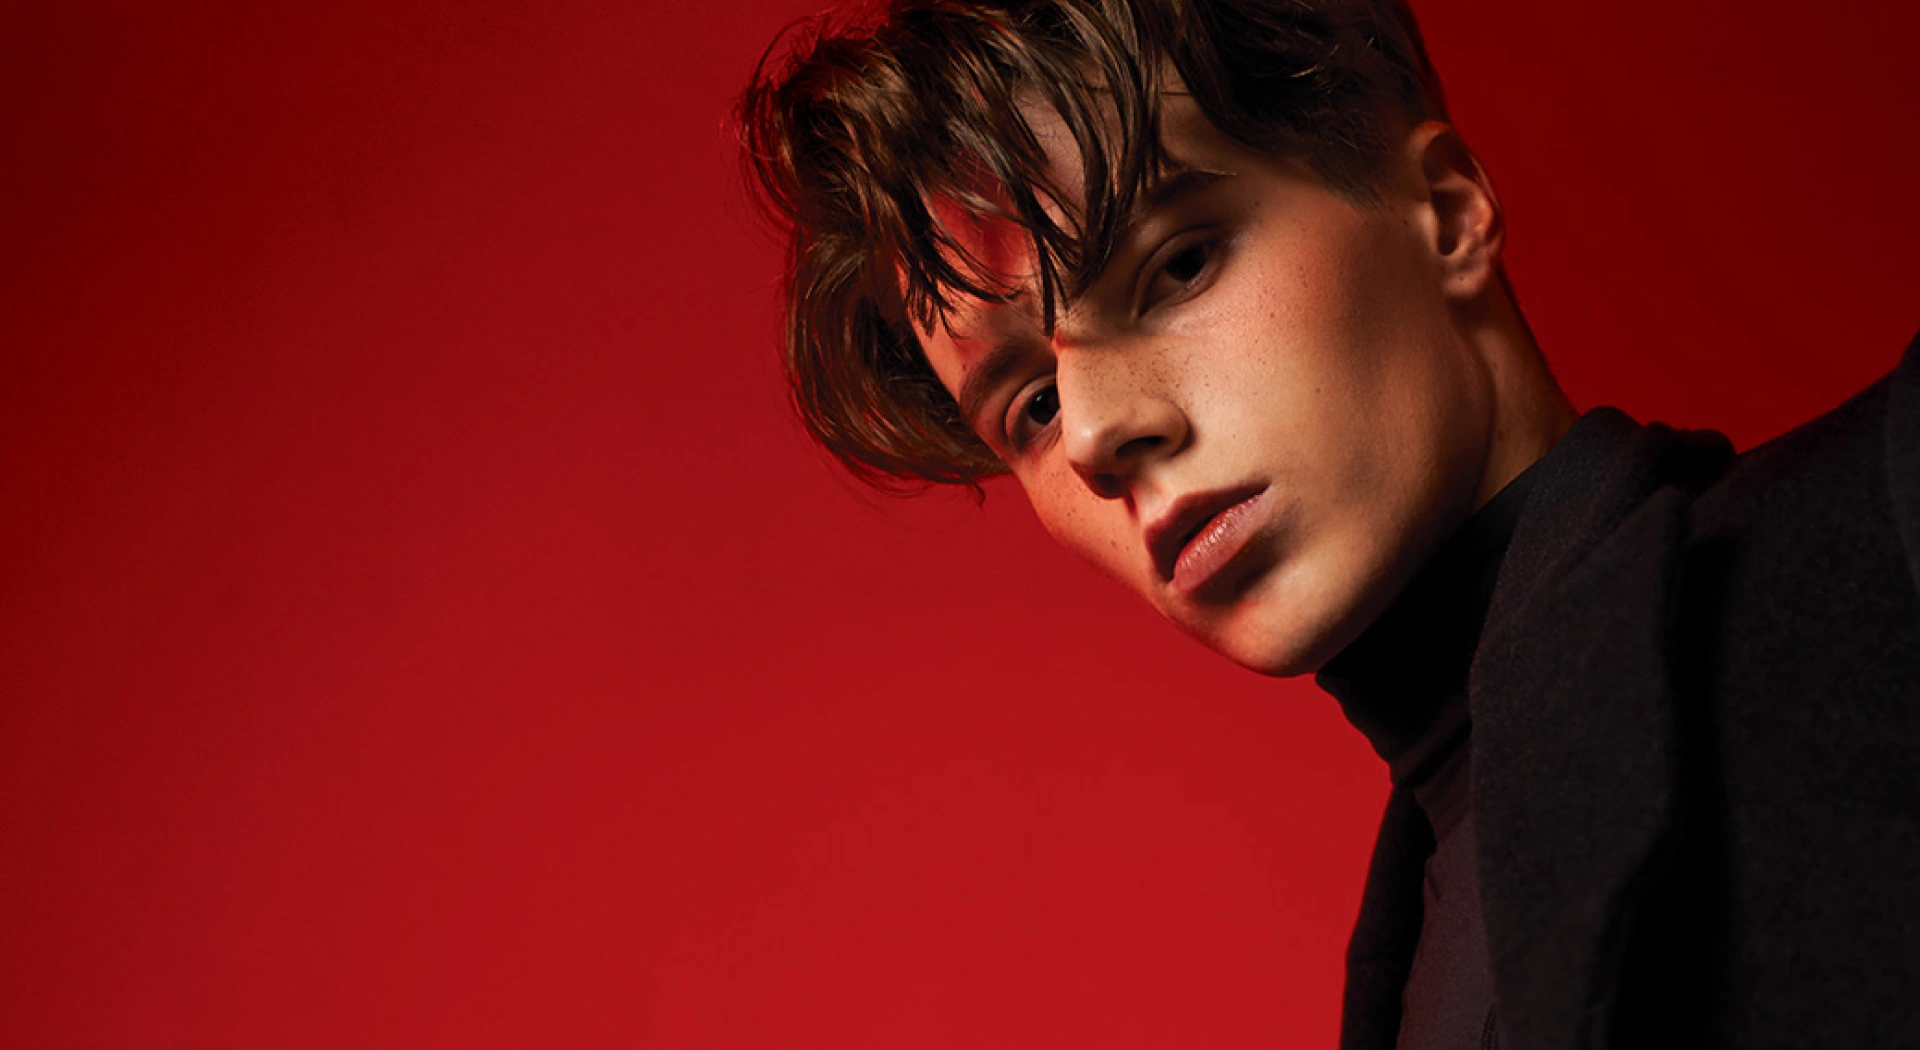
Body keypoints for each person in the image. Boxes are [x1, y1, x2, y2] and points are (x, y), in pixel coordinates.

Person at [735, 1, 1920, 1046]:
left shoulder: (1881, 519)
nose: (1095, 432)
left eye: (1176, 267)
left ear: (1446, 211)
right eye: (1033, 404)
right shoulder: (1422, 931)